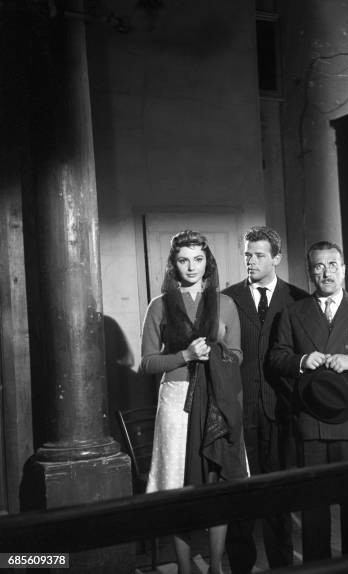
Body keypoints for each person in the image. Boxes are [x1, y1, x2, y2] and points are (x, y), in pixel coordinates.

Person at [141, 230, 246, 574]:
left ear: (208, 262)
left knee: (216, 484)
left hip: (217, 399)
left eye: (198, 259)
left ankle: (216, 566)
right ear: (173, 264)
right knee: (178, 487)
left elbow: (238, 355)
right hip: (176, 403)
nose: (192, 267)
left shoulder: (225, 303)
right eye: (184, 260)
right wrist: (184, 355)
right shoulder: (159, 306)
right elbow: (147, 363)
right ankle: (186, 568)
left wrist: (216, 355)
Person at [268, 241, 348, 562]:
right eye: (318, 266)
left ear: (344, 269)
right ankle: (317, 567)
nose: (326, 272)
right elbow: (276, 358)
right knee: (314, 503)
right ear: (310, 272)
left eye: (332, 265)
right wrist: (302, 360)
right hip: (311, 420)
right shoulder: (292, 313)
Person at [223, 226, 309, 573]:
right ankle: (241, 566)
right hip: (240, 411)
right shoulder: (227, 299)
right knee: (240, 498)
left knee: (278, 498)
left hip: (281, 412)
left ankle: (282, 566)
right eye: (247, 255)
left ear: (276, 258)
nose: (251, 261)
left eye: (259, 255)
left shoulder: (299, 300)